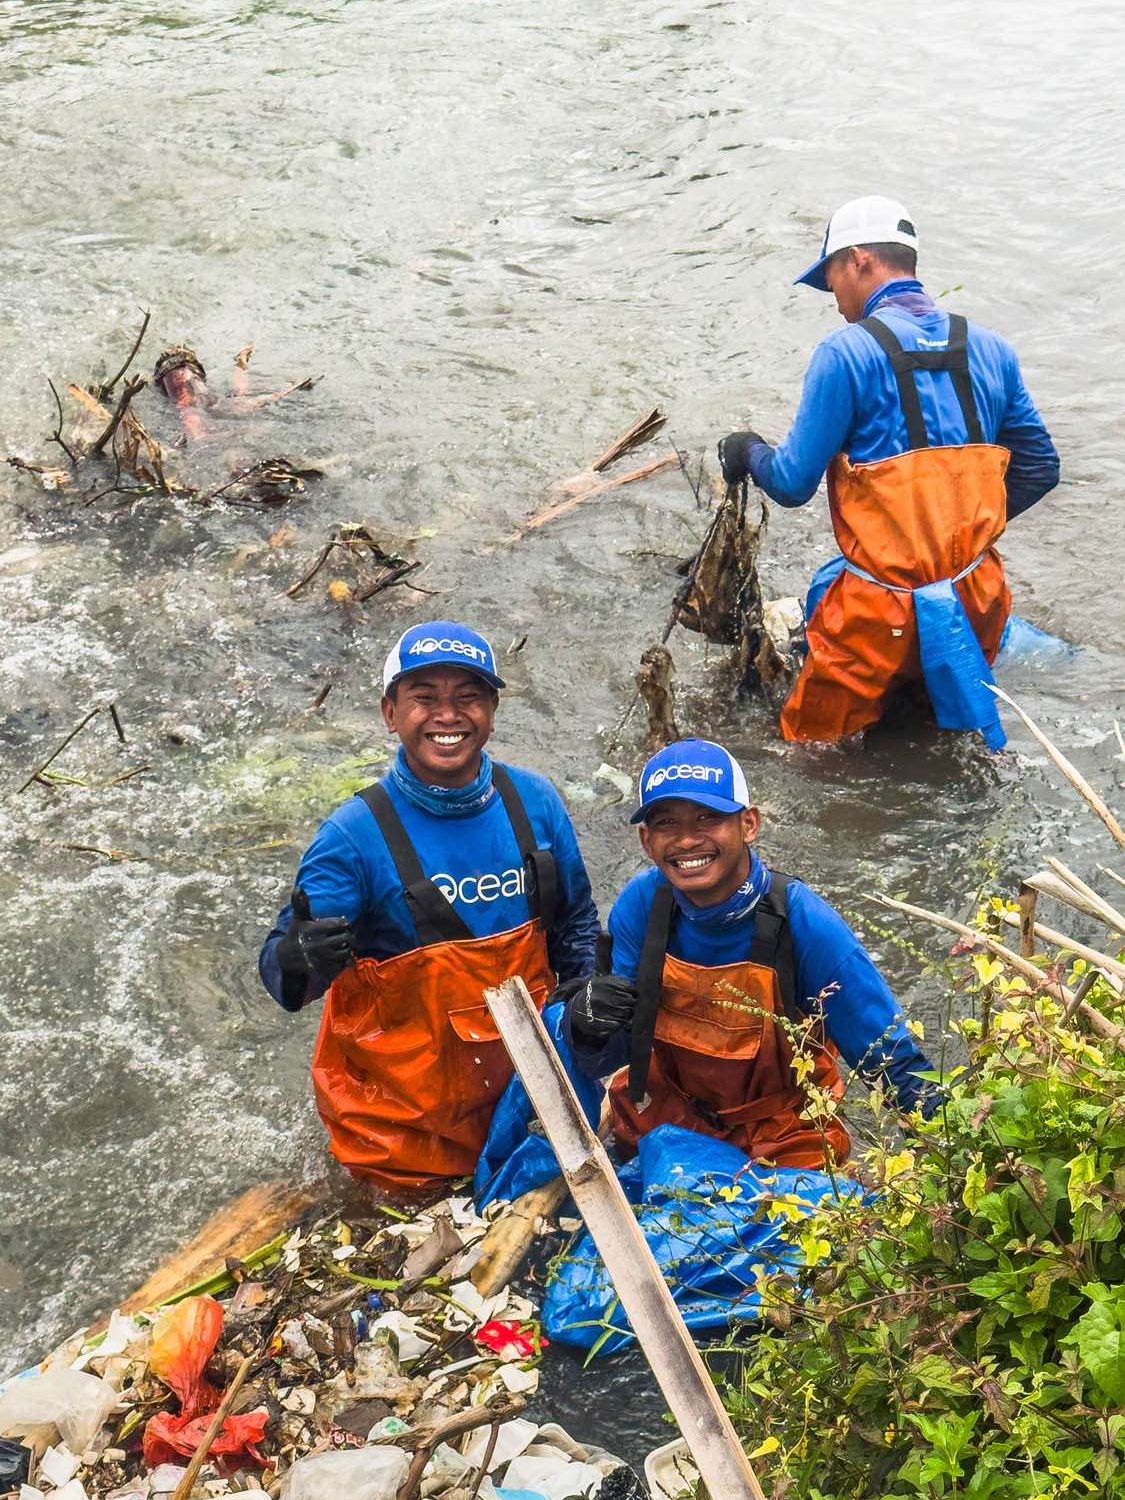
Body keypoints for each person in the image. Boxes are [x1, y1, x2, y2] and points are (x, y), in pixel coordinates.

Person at [260, 622, 600, 1191]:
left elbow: (576, 924)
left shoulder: (536, 802)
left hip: (528, 1113)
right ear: (390, 713)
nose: (448, 715)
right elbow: (284, 981)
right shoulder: (353, 836)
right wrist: (299, 956)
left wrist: (585, 1012)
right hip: (399, 1144)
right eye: (424, 698)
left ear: (492, 711)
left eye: (467, 697)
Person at [719, 196, 1059, 745]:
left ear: (859, 261)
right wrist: (958, 532)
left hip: (877, 617)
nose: (836, 305)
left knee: (809, 752)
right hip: (975, 595)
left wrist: (747, 451)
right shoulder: (994, 349)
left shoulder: (845, 354)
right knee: (937, 735)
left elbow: (790, 483)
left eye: (832, 286)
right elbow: (1040, 468)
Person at [564, 739, 937, 1167]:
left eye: (708, 817)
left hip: (781, 1142)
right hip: (666, 1126)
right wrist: (589, 1023)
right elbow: (618, 1053)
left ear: (749, 824)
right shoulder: (640, 907)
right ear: (647, 841)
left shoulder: (804, 924)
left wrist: (960, 1153)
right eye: (667, 823)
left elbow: (892, 1065)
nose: (687, 840)